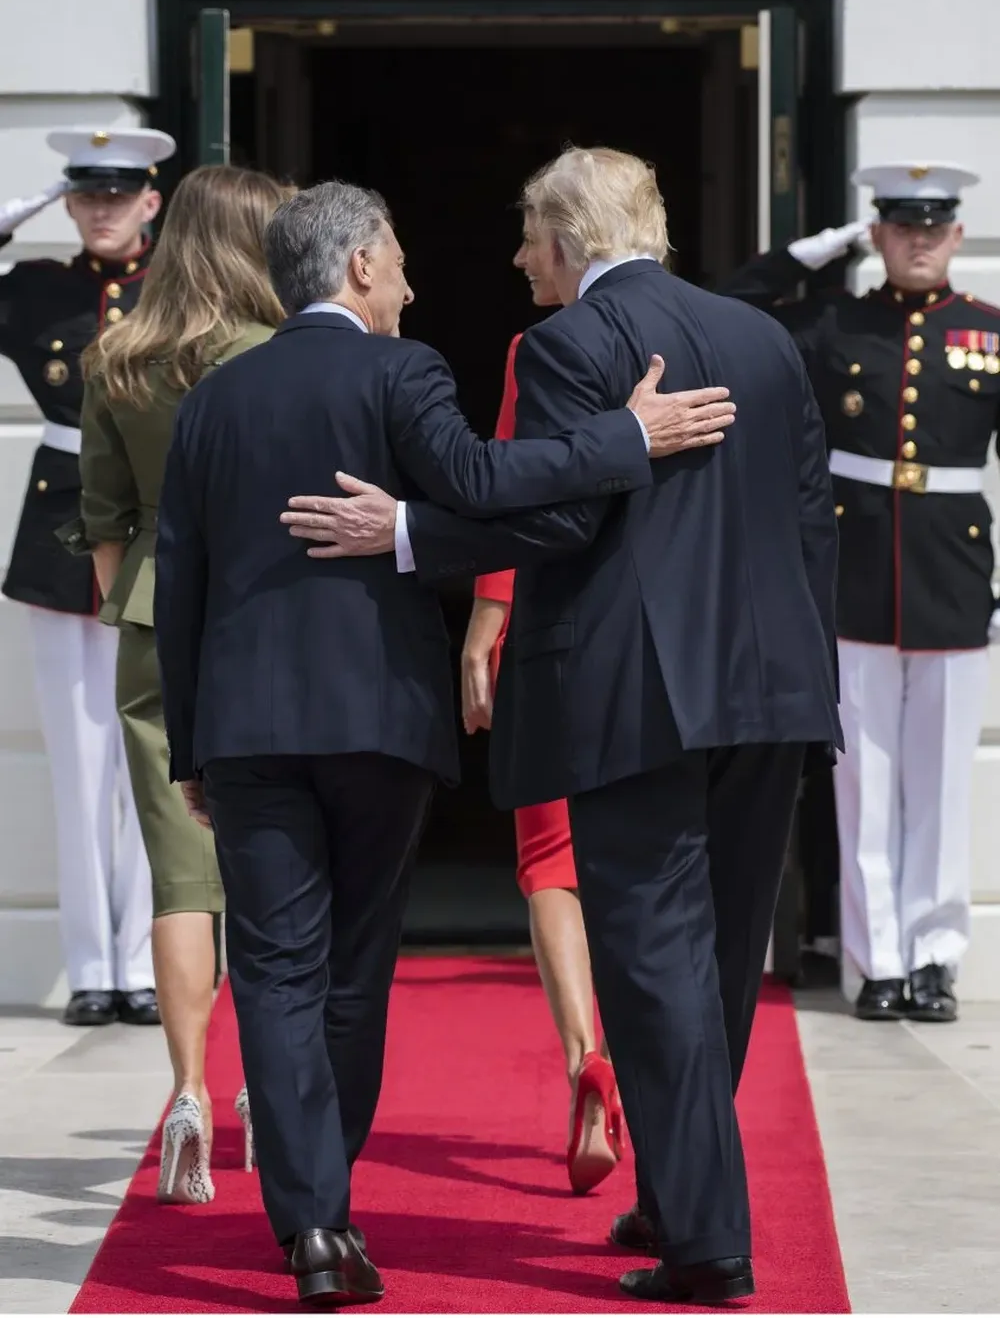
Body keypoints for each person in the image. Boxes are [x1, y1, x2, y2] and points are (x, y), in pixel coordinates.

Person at [153, 178, 736, 1304]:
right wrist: (626, 436)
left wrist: (190, 744)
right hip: (377, 720)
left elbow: (181, 583)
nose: (416, 286)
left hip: (246, 727)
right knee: (352, 972)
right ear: (361, 263)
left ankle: (312, 1222)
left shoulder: (214, 397)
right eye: (405, 260)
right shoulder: (399, 371)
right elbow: (480, 482)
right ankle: (328, 1200)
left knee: (273, 969)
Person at [284, 148, 841, 1305]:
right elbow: (808, 524)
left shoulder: (563, 346)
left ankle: (705, 1242)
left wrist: (406, 533)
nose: (516, 258)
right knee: (725, 958)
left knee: (655, 964)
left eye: (529, 237)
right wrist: (806, 669)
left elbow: (551, 520)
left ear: (570, 238)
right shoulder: (763, 338)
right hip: (770, 688)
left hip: (637, 694)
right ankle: (682, 1190)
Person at [65, 165, 290, 1203]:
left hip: (155, 615)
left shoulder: (119, 353)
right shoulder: (276, 353)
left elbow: (102, 520)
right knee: (277, 855)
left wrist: (135, 610)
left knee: (180, 872)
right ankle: (272, 1091)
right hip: (264, 615)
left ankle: (191, 1091)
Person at [724, 163, 994, 1025]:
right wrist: (818, 249)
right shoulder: (832, 321)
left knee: (943, 784)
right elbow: (735, 308)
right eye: (899, 224)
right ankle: (877, 963)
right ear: (876, 234)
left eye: (935, 225)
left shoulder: (989, 331)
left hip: (954, 577)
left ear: (957, 235)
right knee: (864, 783)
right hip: (854, 576)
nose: (919, 238)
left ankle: (934, 959)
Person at [0, 127, 175, 1028]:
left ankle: (145, 961)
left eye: (119, 195)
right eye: (86, 195)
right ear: (68, 202)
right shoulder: (34, 292)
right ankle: (91, 968)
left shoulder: (175, 288)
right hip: (58, 533)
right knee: (78, 764)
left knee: (147, 755)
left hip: (149, 525)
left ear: (152, 199)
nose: (102, 210)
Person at [463, 329, 621, 1194]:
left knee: (550, 862)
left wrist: (487, 619)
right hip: (653, 640)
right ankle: (646, 1077)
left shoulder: (539, 348)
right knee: (651, 864)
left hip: (550, 632)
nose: (522, 258)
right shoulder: (701, 330)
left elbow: (506, 487)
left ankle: (585, 1057)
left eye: (533, 239)